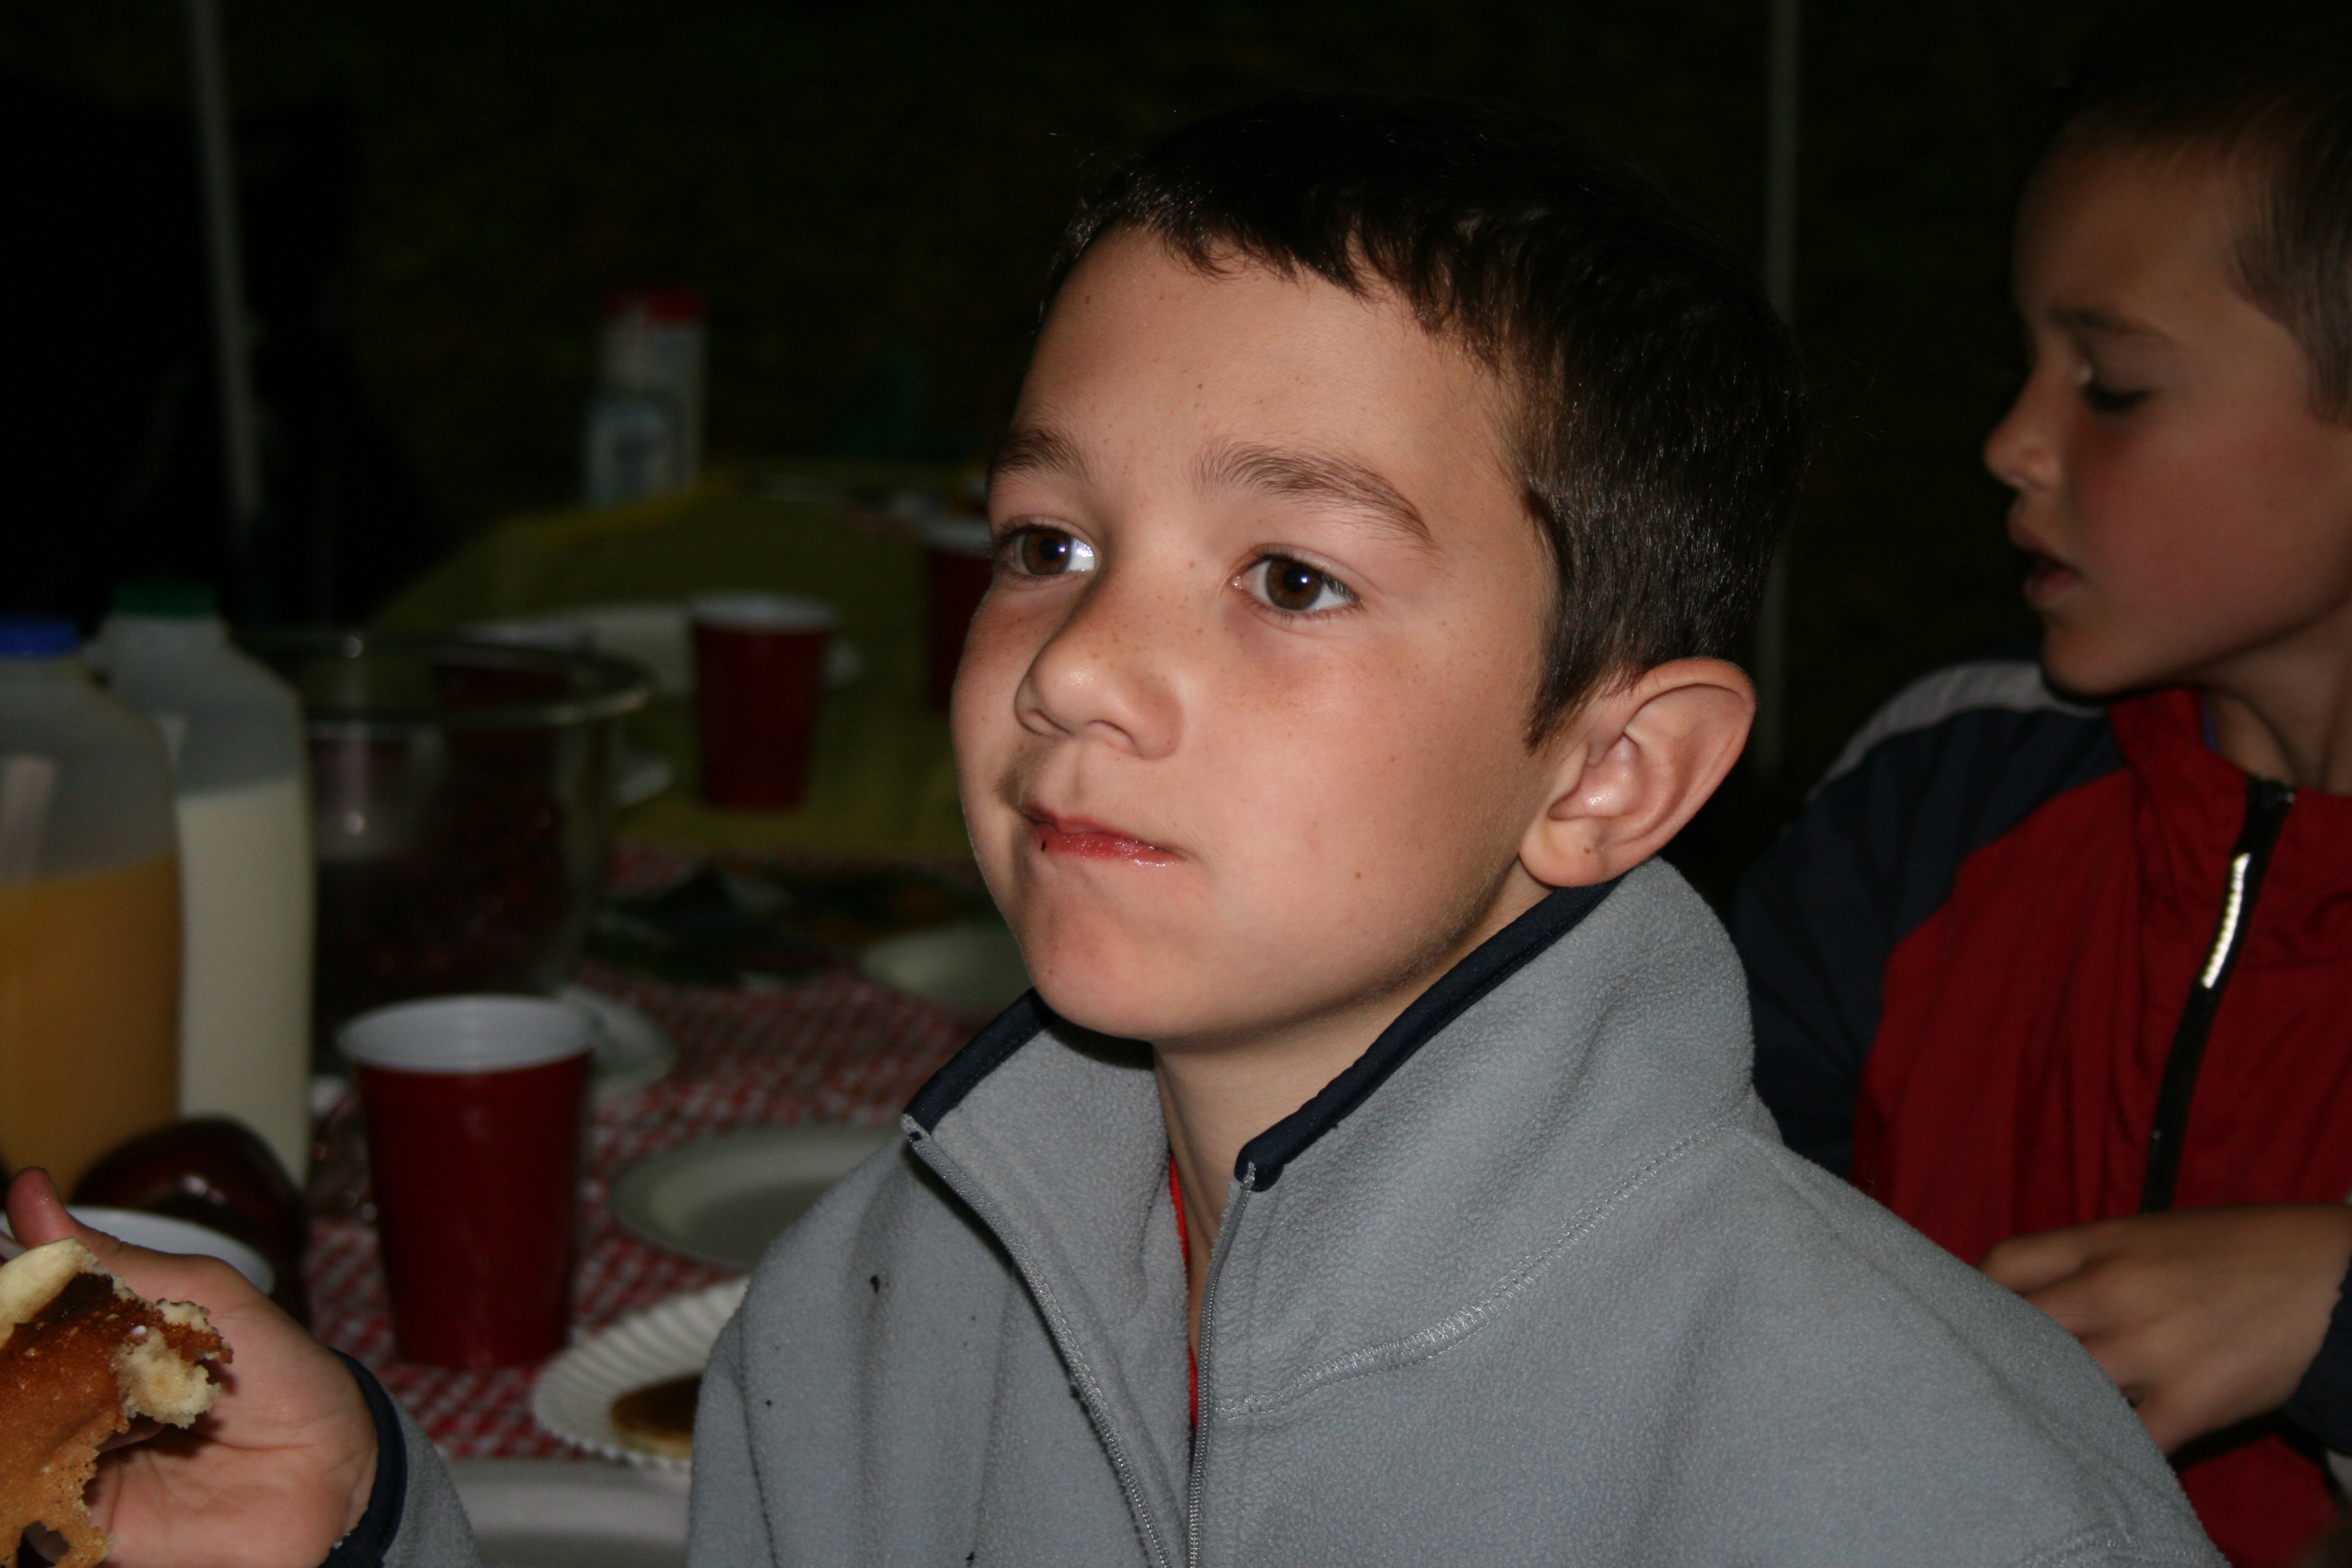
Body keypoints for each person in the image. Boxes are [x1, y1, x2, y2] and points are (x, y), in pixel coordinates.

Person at [8, 93, 2221, 1568]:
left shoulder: (1922, 1488)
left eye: (1292, 577)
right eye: (1047, 542)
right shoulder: (880, 1305)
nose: (1077, 665)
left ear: (1609, 772)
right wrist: (362, 1532)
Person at [1729, 6, 2352, 1566]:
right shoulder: (1945, 789)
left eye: (2113, 385)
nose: (2013, 441)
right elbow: (1680, 1213)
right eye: (2027, 363)